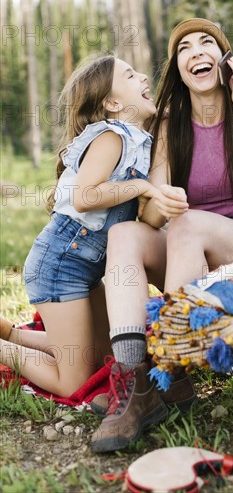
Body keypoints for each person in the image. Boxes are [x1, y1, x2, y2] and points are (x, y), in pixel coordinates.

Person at [91, 18, 233, 453]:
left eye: (207, 43)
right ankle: (138, 384)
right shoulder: (170, 124)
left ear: (224, 57)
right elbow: (154, 217)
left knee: (190, 223)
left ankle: (171, 365)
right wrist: (164, 201)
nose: (197, 51)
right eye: (185, 48)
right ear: (178, 68)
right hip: (185, 247)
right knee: (125, 234)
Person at [0, 53, 169, 401]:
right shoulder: (112, 137)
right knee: (73, 382)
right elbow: (84, 196)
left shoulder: (140, 141)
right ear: (112, 103)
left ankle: (12, 335)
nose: (144, 78)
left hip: (85, 269)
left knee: (105, 359)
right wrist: (142, 187)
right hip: (60, 267)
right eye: (130, 75)